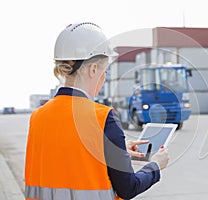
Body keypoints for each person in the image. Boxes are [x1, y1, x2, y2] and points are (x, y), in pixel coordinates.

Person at [24, 22, 169, 200]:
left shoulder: (38, 116)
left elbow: (65, 156)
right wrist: (155, 166)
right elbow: (128, 187)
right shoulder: (103, 117)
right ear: (93, 69)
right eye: (105, 70)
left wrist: (115, 150)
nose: (105, 77)